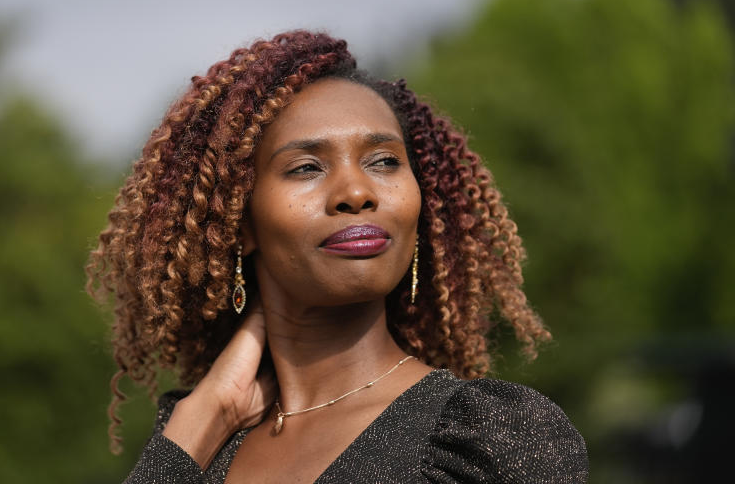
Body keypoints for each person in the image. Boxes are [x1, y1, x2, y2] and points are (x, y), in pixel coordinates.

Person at [87, 31, 589, 483]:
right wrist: (202, 423)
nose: (356, 191)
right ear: (237, 226)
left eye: (385, 161)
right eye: (306, 167)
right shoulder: (199, 446)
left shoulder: (490, 439)